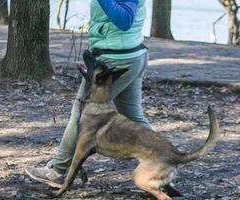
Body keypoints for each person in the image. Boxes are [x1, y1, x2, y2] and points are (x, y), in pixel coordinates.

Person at [25, 0, 150, 188]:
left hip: (114, 62)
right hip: (130, 56)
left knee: (80, 115)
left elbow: (125, 20)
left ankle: (57, 171)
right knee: (133, 115)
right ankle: (162, 163)